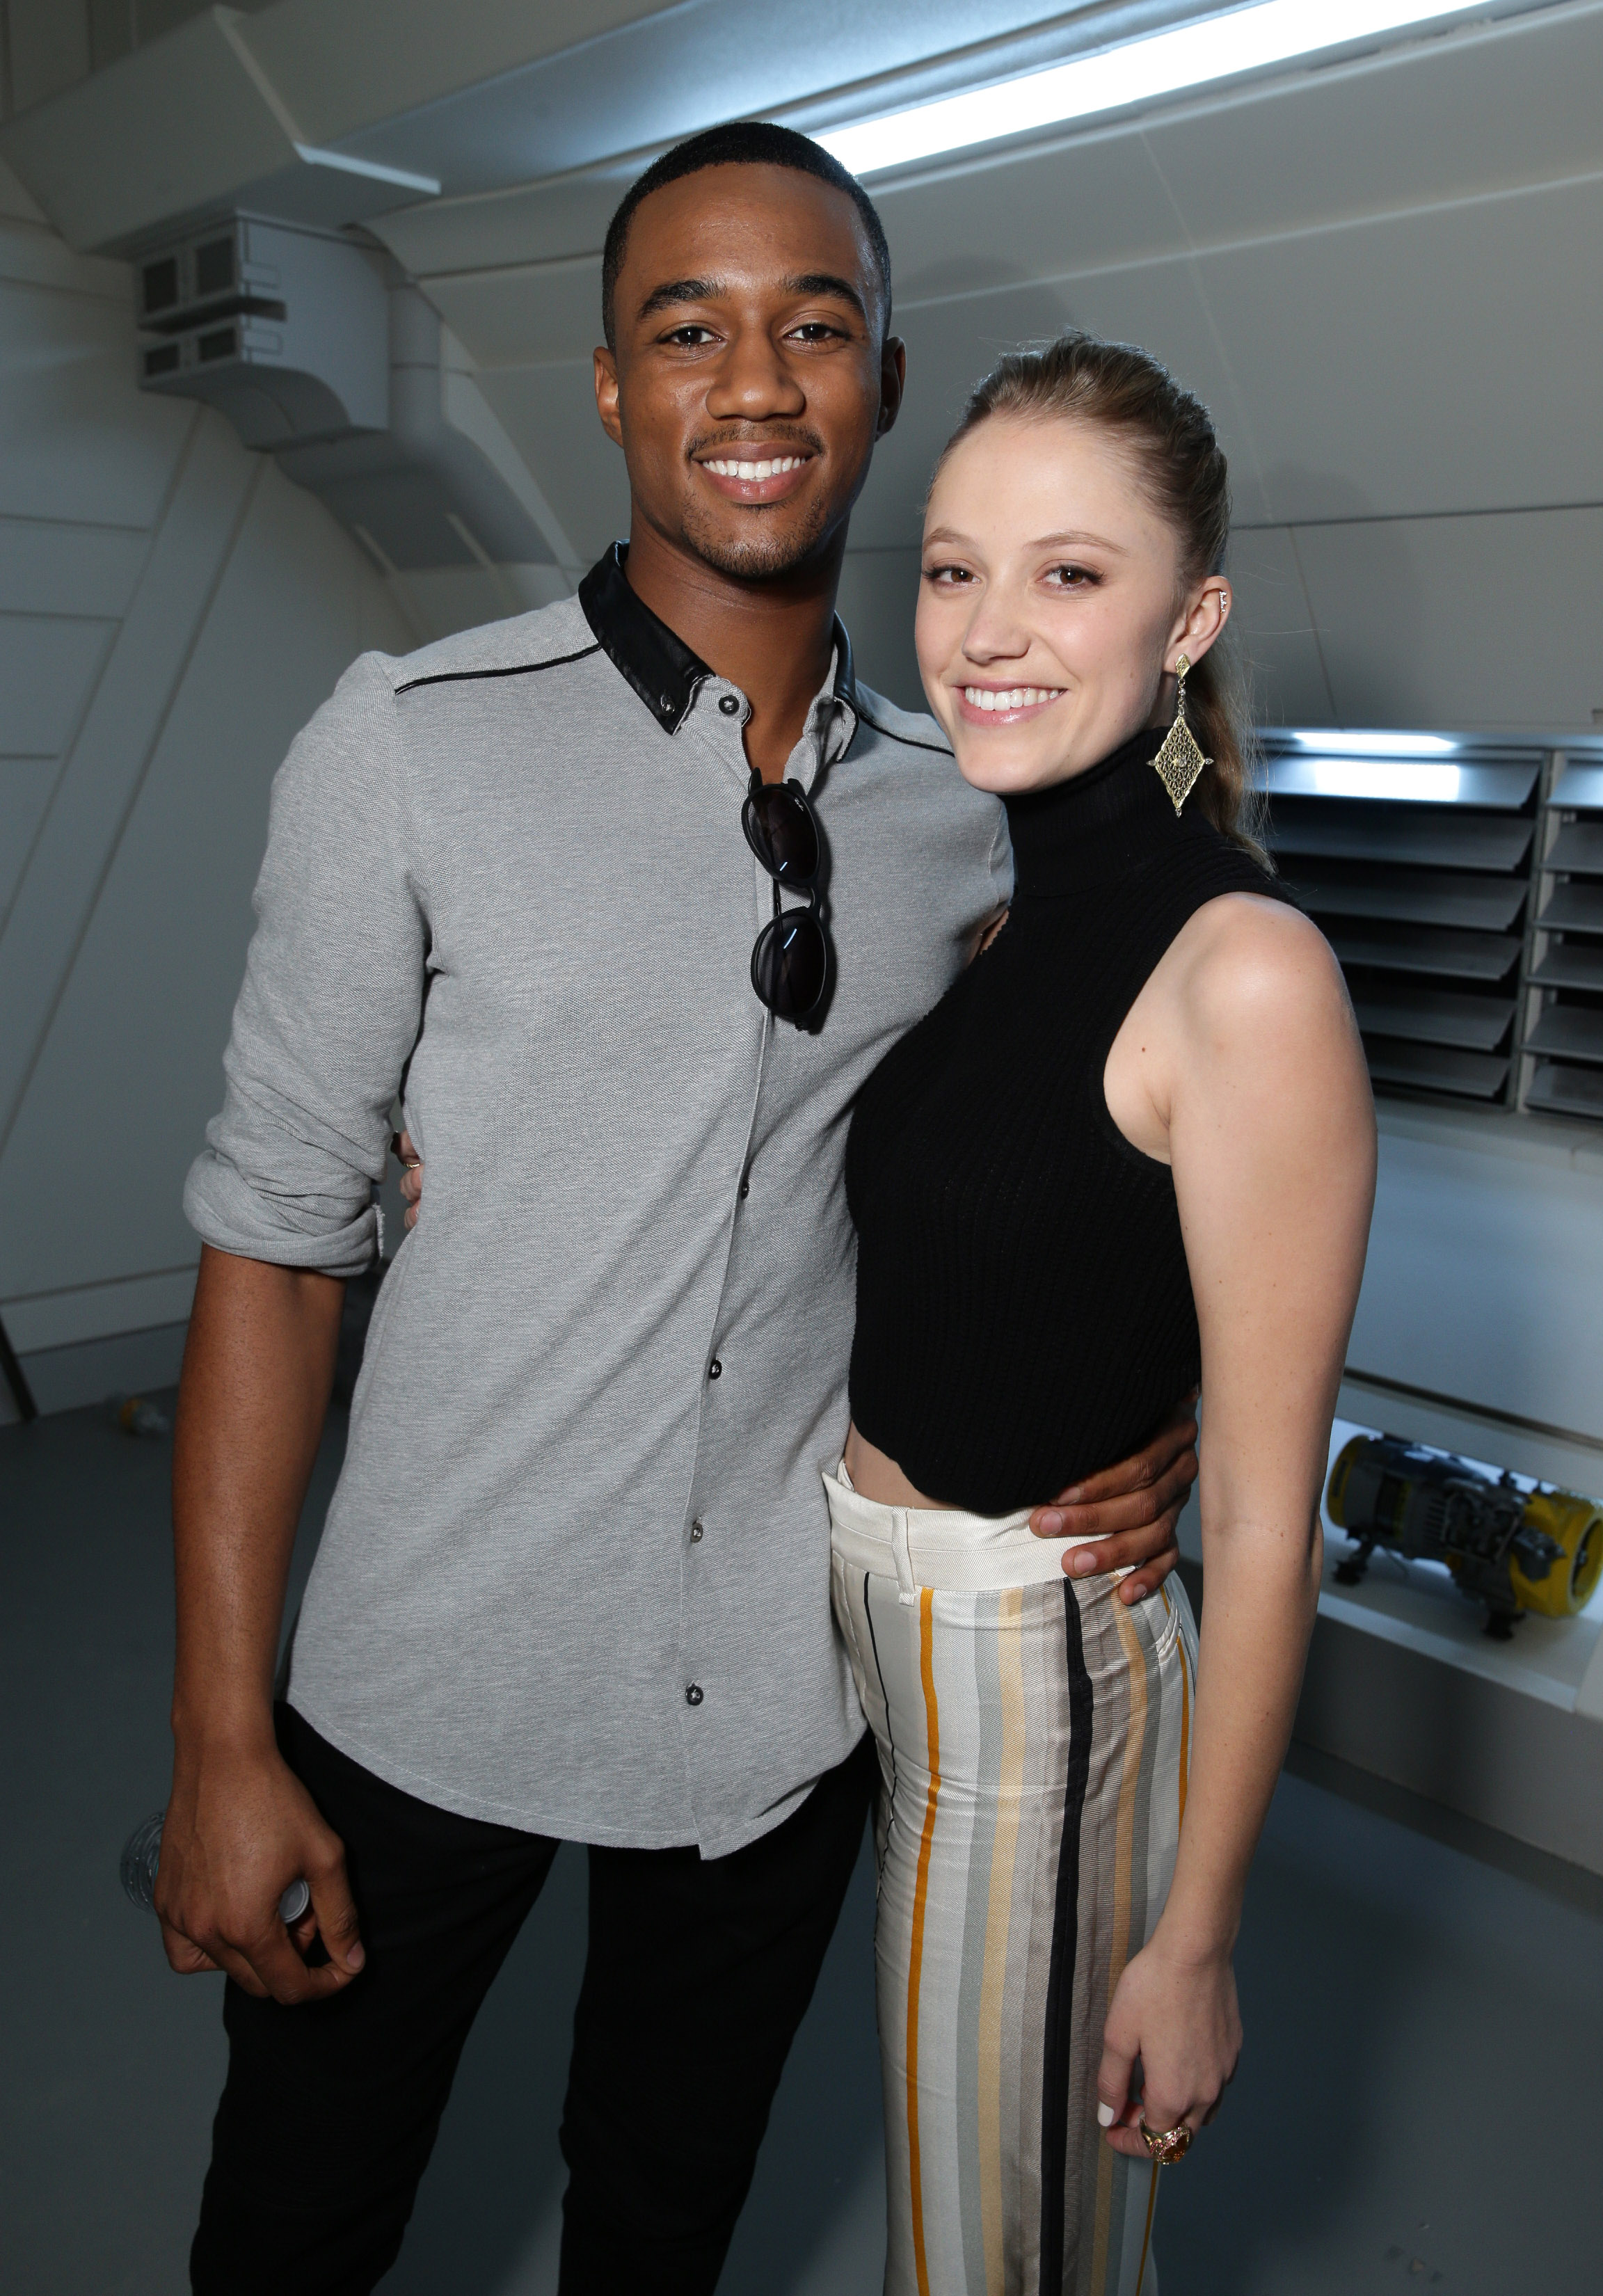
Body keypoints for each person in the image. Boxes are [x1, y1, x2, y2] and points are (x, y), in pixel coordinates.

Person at [157, 125, 1195, 2295]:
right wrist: (222, 1736)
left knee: (661, 2225)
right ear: (614, 384)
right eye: (689, 329)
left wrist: (1158, 1409)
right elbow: (276, 1244)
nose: (754, 382)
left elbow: (1058, 1161)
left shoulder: (968, 820)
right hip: (427, 1672)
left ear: (882, 380)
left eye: (813, 326)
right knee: (291, 2230)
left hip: (779, 1710)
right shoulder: (411, 743)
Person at [823, 334, 1375, 2293]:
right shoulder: (983, 905)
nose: (988, 629)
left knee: (1005, 2257)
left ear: (1190, 616)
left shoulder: (1243, 969)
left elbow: (1267, 1515)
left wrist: (1196, 1937)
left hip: (1032, 1674)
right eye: (953, 567)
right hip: (875, 1638)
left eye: (1070, 574)